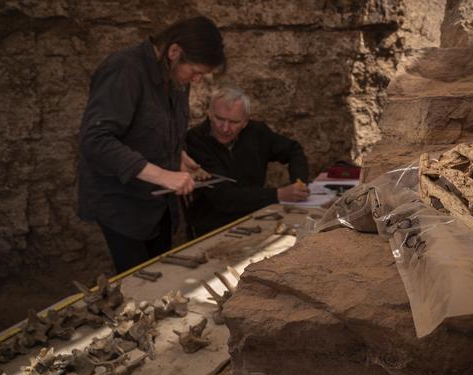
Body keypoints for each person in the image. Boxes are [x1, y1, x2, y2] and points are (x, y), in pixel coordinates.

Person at [77, 16, 225, 273]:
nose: (197, 80)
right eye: (196, 72)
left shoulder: (176, 78)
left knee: (161, 276)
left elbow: (151, 127)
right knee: (138, 282)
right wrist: (163, 175)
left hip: (159, 204)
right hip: (122, 203)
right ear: (174, 51)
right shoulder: (124, 70)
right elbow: (95, 140)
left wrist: (177, 156)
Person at [185, 85, 310, 236]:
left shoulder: (256, 132)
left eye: (234, 122)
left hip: (258, 218)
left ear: (245, 122)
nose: (225, 128)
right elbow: (224, 197)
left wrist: (299, 183)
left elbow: (293, 150)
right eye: (219, 119)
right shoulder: (195, 140)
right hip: (212, 226)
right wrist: (279, 194)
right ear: (209, 114)